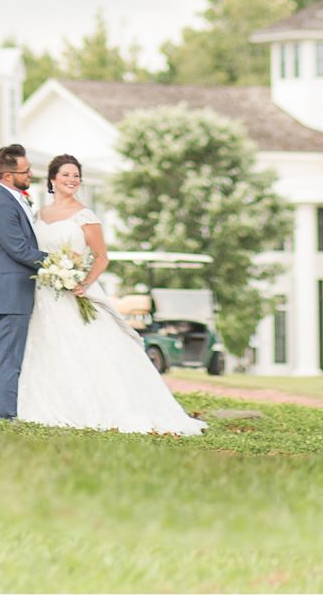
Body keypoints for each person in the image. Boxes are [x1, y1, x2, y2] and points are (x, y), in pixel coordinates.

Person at [16, 152, 205, 434]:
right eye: (65, 174)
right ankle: (39, 402)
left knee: (81, 347)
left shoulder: (85, 216)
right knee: (44, 345)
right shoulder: (39, 214)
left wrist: (83, 282)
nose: (71, 180)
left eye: (76, 176)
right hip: (43, 293)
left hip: (74, 292)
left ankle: (89, 405)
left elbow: (101, 256)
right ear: (53, 179)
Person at [0, 143, 46, 421]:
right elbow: (20, 251)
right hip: (10, 292)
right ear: (6, 175)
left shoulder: (14, 199)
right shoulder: (2, 205)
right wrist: (59, 261)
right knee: (9, 360)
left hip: (11, 292)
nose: (30, 174)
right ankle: (6, 415)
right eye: (25, 171)